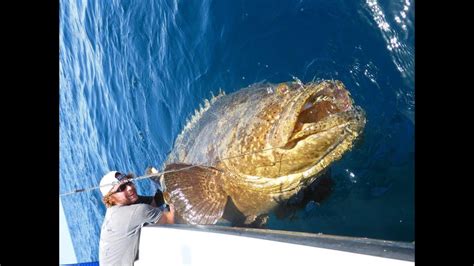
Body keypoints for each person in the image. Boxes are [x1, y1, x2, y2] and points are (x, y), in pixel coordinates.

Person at [98, 171, 175, 266]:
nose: (129, 188)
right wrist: (174, 192)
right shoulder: (135, 212)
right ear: (110, 198)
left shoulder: (115, 209)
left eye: (129, 182)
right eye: (122, 188)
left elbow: (153, 202)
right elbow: (171, 219)